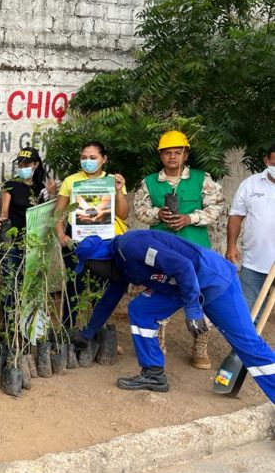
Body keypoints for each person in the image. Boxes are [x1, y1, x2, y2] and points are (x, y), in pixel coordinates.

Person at [71, 231, 275, 401]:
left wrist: (193, 310)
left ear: (98, 258)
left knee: (246, 343)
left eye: (89, 267)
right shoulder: (120, 264)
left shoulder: (131, 247)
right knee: (140, 309)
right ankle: (153, 374)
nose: (91, 273)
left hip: (213, 281)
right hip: (178, 288)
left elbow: (183, 266)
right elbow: (109, 300)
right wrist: (88, 333)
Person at [133, 130, 226, 369]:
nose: (172, 157)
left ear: (185, 155)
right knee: (160, 290)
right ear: (161, 156)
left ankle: (200, 346)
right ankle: (159, 342)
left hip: (195, 249)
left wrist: (190, 218)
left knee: (200, 295)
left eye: (177, 152)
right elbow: (140, 211)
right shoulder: (150, 182)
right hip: (162, 251)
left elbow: (217, 207)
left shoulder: (201, 179)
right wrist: (157, 214)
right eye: (167, 153)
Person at [53, 141, 128, 329]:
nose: (88, 161)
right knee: (73, 285)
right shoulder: (71, 181)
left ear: (104, 159)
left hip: (104, 241)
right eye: (84, 157)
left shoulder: (113, 180)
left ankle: (95, 330)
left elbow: (123, 214)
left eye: (93, 158)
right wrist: (61, 235)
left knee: (99, 287)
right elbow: (59, 211)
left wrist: (118, 191)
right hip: (75, 240)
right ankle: (67, 328)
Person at [0, 148, 57, 322]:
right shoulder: (11, 184)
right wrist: (1, 220)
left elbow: (49, 213)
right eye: (20, 163)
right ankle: (9, 326)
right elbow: (4, 212)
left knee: (30, 284)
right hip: (12, 241)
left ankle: (28, 323)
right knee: (11, 283)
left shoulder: (41, 188)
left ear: (36, 165)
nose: (23, 166)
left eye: (27, 164)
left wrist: (51, 194)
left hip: (34, 243)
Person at [226, 144, 275, 309]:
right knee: (249, 309)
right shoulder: (250, 184)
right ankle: (251, 335)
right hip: (254, 261)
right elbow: (235, 217)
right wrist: (231, 246)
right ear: (266, 161)